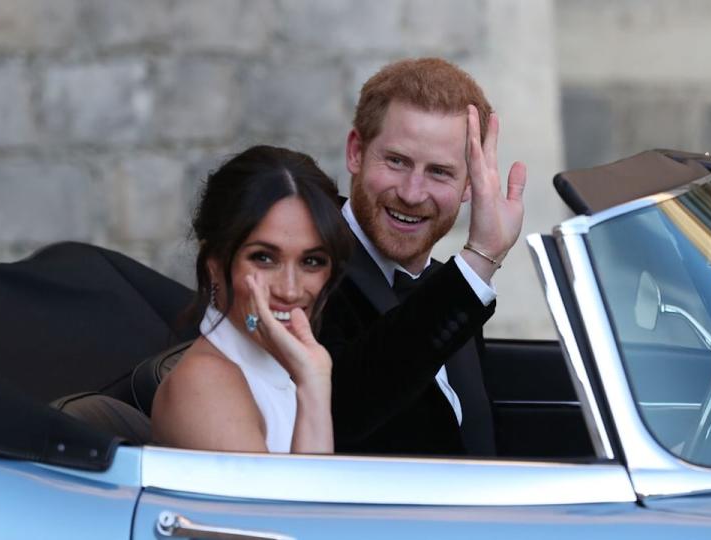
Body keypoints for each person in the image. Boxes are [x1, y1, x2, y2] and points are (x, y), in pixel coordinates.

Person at [319, 57, 528, 456]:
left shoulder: (446, 286)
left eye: (439, 172)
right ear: (356, 153)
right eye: (397, 161)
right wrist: (481, 258)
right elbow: (344, 411)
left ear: (470, 185)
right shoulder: (308, 267)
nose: (413, 193)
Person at [151, 145, 352, 454]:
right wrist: (313, 386)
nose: (289, 290)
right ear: (215, 265)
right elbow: (298, 504)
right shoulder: (204, 383)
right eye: (264, 258)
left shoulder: (280, 369)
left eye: (311, 262)